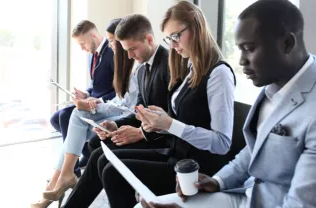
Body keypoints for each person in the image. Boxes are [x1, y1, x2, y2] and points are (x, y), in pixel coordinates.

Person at [137, 0, 316, 207]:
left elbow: (300, 203)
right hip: (245, 194)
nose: (241, 61)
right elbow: (255, 151)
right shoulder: (273, 86)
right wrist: (218, 180)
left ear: (286, 43)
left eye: (249, 49)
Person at [90, 1, 236, 207]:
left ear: (197, 29)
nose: (173, 45)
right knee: (107, 162)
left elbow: (221, 143)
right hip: (177, 155)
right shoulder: (190, 68)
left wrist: (168, 125)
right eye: (169, 39)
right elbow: (181, 121)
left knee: (112, 171)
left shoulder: (219, 73)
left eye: (176, 36)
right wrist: (157, 122)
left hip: (195, 168)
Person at [62, 14, 171, 208]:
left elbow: (169, 119)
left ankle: (66, 179)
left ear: (149, 39)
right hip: (151, 134)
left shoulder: (168, 66)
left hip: (161, 143)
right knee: (97, 153)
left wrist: (139, 133)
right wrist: (114, 125)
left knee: (103, 162)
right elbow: (138, 111)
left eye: (132, 49)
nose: (129, 56)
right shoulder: (142, 69)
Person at [30, 18, 138, 208]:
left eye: (113, 41)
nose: (112, 45)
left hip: (117, 112)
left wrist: (94, 104)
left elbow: (123, 101)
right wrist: (88, 96)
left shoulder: (126, 62)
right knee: (69, 120)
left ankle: (61, 178)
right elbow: (115, 96)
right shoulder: (105, 57)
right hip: (106, 105)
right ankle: (64, 175)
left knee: (74, 118)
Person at [50, 20, 116, 173]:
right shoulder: (91, 55)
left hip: (105, 104)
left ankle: (71, 169)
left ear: (93, 35)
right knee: (55, 118)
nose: (82, 48)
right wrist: (85, 93)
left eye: (82, 43)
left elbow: (119, 90)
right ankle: (85, 154)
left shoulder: (112, 52)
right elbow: (97, 85)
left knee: (66, 115)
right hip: (91, 101)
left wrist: (99, 100)